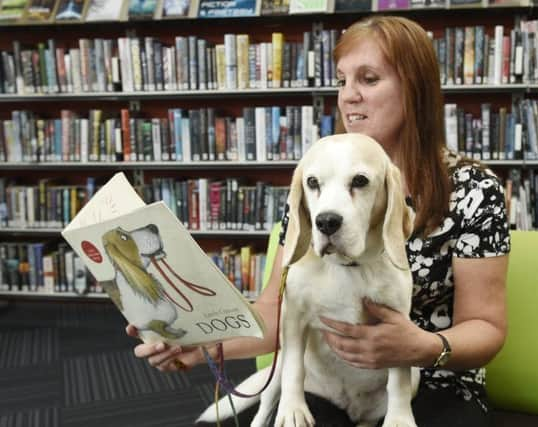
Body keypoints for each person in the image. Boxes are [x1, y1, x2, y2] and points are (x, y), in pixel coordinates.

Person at [126, 15, 510, 427]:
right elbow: (279, 311)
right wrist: (201, 344)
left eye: (368, 79)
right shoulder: (315, 182)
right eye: (343, 81)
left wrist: (421, 347)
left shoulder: (474, 190)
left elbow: (486, 327)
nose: (349, 97)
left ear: (415, 89)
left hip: (433, 378)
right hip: (325, 379)